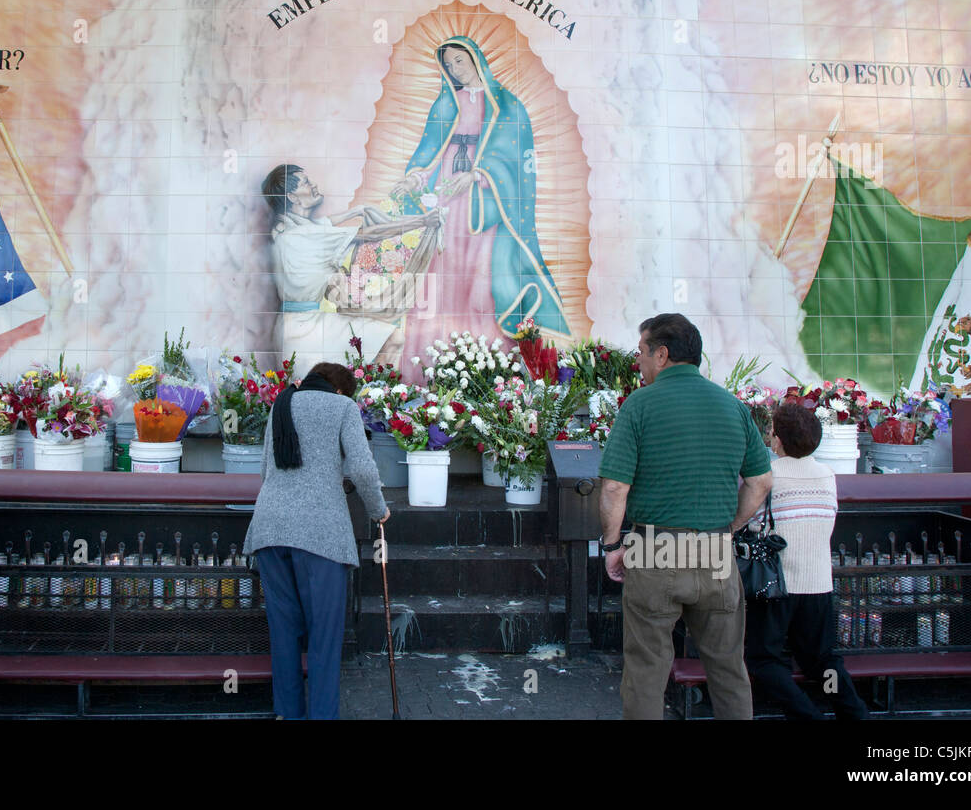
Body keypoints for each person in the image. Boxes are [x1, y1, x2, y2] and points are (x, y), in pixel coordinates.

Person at [598, 313, 773, 720]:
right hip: (715, 552)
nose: (637, 361)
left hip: (653, 549)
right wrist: (727, 529)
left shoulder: (639, 405)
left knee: (646, 672)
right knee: (729, 669)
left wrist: (611, 545)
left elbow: (613, 488)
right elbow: (761, 482)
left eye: (640, 352)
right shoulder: (733, 406)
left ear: (662, 355)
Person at [393, 36, 570, 369]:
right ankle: (434, 364)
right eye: (448, 65)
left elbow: (516, 161)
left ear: (477, 59)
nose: (454, 69)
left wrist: (477, 174)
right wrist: (414, 178)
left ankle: (489, 366)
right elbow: (430, 149)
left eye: (460, 61)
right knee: (443, 280)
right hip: (448, 203)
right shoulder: (445, 104)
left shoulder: (507, 106)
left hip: (485, 209)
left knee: (484, 285)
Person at [242, 361, 390, 719]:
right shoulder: (343, 407)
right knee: (324, 638)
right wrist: (378, 510)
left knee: (284, 635)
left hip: (269, 530)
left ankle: (288, 713)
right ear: (340, 390)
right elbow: (362, 468)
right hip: (320, 534)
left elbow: (265, 469)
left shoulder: (282, 403)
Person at [744, 403, 869, 720]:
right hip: (818, 583)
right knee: (821, 661)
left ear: (778, 440)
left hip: (777, 585)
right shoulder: (828, 475)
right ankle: (852, 712)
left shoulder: (769, 479)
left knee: (764, 659)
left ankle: (805, 714)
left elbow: (751, 521)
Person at [263, 164, 439, 370]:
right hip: (304, 333)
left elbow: (325, 223)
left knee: (394, 338)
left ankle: (374, 396)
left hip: (303, 323)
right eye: (306, 182)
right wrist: (423, 221)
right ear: (292, 196)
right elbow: (370, 234)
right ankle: (376, 396)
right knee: (393, 338)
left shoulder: (287, 227)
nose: (314, 184)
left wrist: (357, 211)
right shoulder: (305, 234)